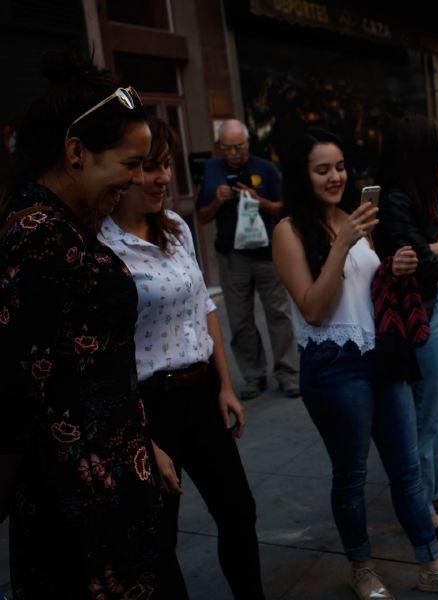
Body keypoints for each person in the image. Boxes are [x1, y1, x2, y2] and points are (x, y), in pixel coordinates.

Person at [271, 128, 438, 599]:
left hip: (381, 357)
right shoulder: (289, 231)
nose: (335, 177)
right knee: (350, 475)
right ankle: (363, 569)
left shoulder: (354, 219)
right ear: (301, 175)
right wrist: (342, 243)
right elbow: (314, 307)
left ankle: (432, 565)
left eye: (340, 167)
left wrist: (394, 269)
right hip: (334, 367)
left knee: (407, 469)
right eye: (322, 169)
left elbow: (364, 292)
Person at [0, 54, 170, 597]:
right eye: (130, 162)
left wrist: (142, 442)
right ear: (76, 152)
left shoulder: (62, 224)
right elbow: (21, 387)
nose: (140, 178)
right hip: (78, 504)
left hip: (106, 487)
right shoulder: (37, 236)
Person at [99, 116, 264, 599]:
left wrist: (227, 386)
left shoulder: (174, 226)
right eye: (148, 167)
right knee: (158, 535)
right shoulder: (102, 247)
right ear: (122, 173)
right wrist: (142, 437)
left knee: (238, 510)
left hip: (201, 395)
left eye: (166, 166)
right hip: (146, 406)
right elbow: (107, 355)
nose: (161, 179)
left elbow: (203, 308)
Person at [375, 115, 438, 540]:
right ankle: (420, 507)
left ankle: (434, 493)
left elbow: (430, 247)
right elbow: (416, 262)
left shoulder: (413, 192)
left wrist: (436, 244)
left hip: (434, 308)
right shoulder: (396, 198)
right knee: (424, 416)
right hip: (418, 313)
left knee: (434, 412)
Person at [196, 119, 299, 400]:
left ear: (248, 143)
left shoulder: (266, 169)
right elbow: (202, 216)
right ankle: (254, 376)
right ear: (220, 147)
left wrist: (257, 200)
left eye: (238, 147)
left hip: (268, 254)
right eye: (227, 148)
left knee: (278, 313)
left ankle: (288, 373)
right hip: (232, 256)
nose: (233, 153)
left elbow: (283, 209)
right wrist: (217, 200)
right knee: (240, 319)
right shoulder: (212, 170)